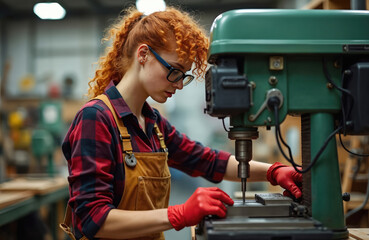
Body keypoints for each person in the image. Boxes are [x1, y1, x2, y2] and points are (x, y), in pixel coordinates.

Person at [61, 6, 302, 240]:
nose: (178, 84)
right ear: (143, 54)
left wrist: (273, 171)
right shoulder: (96, 118)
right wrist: (179, 213)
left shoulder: (153, 123)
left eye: (183, 76)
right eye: (174, 71)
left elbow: (207, 160)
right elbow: (93, 219)